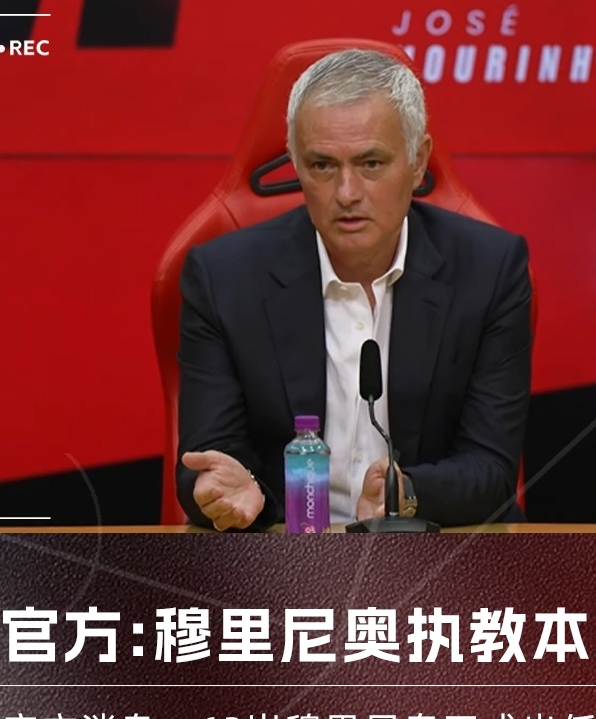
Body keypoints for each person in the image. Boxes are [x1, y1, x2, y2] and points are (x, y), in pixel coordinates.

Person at [177, 48, 531, 530]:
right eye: (322, 165)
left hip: (433, 543)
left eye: (371, 163)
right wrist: (235, 493)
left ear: (417, 161)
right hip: (282, 547)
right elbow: (204, 461)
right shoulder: (223, 278)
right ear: (296, 165)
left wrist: (404, 495)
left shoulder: (489, 270)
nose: (346, 193)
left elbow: (491, 470)